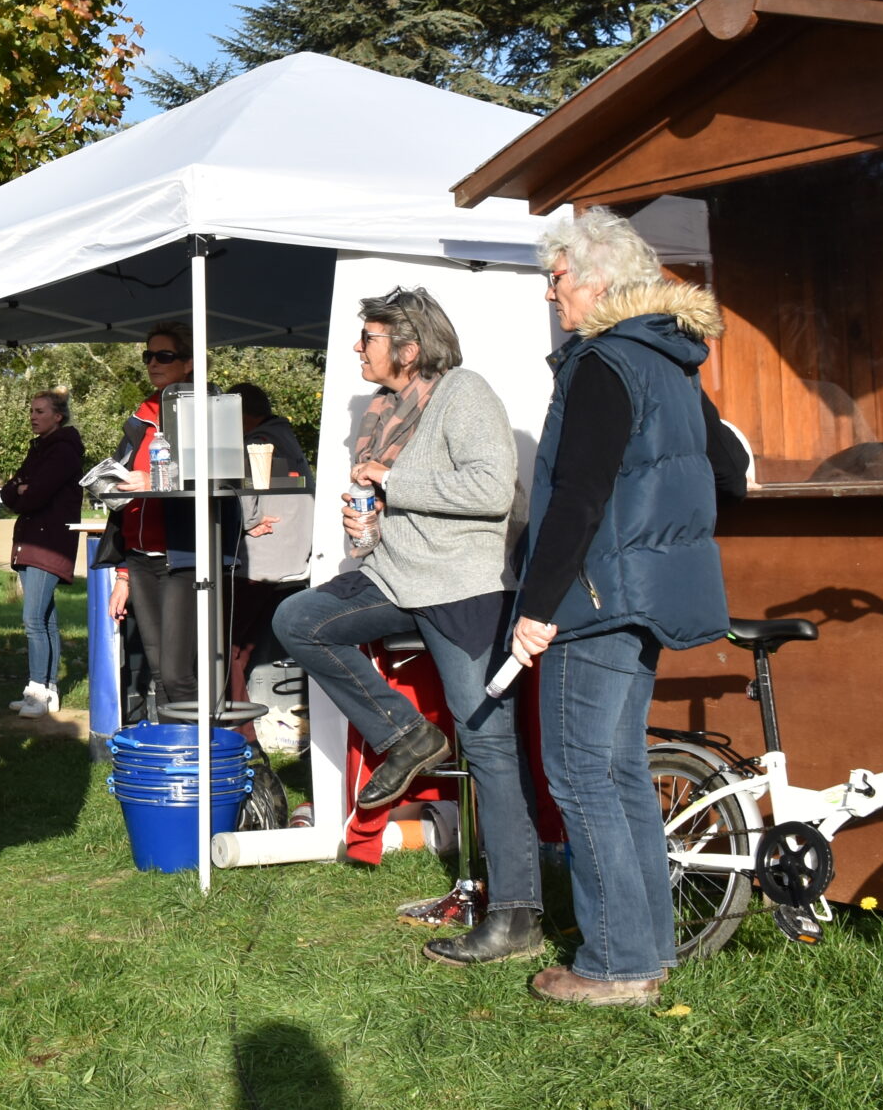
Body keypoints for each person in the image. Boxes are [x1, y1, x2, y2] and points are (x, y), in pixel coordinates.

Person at [503, 208, 746, 1007]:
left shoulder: (602, 360)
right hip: (645, 594)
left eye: (558, 277)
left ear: (600, 280)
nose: (550, 292)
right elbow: (730, 471)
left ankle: (613, 963)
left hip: (597, 596)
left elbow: (577, 496)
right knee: (620, 771)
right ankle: (646, 950)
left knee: (581, 774)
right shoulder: (672, 359)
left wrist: (538, 605)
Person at [269, 287, 540, 966]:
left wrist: (391, 479)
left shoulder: (464, 392)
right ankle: (407, 734)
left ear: (410, 348)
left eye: (368, 338)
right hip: (395, 576)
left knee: (488, 745)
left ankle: (516, 913)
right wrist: (363, 528)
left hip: (464, 585)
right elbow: (391, 509)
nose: (357, 348)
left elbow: (490, 489)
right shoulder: (382, 411)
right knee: (300, 618)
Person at [97, 321, 240, 716]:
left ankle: (211, 746)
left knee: (178, 673)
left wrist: (157, 480)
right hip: (140, 558)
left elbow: (222, 474)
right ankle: (174, 747)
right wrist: (122, 574)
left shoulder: (209, 409)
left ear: (189, 363)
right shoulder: (142, 416)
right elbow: (128, 483)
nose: (152, 363)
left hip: (185, 556)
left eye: (164, 356)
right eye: (148, 356)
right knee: (160, 672)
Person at [0, 390, 85, 715]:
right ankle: (47, 690)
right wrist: (20, 490)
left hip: (48, 544)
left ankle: (37, 690)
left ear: (57, 416)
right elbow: (9, 492)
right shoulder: (38, 449)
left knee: (33, 619)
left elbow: (34, 495)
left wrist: (24, 491)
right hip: (30, 541)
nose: (33, 417)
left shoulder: (63, 451)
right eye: (32, 411)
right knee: (45, 618)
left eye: (40, 411)